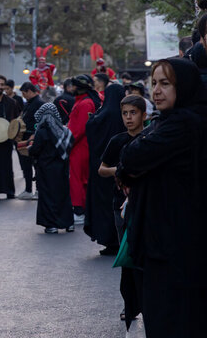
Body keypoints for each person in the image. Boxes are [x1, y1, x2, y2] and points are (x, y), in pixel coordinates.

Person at [118, 58, 207, 336]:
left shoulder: (184, 123)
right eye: (154, 83)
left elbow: (132, 157)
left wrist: (133, 167)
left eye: (165, 84)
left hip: (176, 242)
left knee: (172, 319)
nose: (156, 90)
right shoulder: (168, 121)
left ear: (184, 86)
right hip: (166, 239)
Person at [98, 94, 147, 329]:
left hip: (147, 206)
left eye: (133, 113)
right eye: (125, 113)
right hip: (121, 207)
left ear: (144, 115)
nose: (129, 118)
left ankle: (147, 302)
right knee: (127, 258)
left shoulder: (151, 139)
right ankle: (129, 305)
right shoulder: (117, 141)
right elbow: (102, 169)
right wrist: (120, 170)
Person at [84, 83, 126, 255]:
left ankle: (108, 239)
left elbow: (90, 129)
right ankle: (117, 240)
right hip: (119, 168)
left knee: (103, 205)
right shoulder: (123, 115)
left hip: (101, 166)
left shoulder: (103, 115)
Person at [28, 103, 74, 233]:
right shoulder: (65, 131)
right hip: (62, 168)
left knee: (48, 196)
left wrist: (29, 149)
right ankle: (68, 223)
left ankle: (51, 225)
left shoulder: (42, 132)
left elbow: (35, 150)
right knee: (64, 195)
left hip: (46, 170)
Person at [67, 75, 101, 225]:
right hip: (83, 145)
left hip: (79, 146)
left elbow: (79, 129)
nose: (71, 88)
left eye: (73, 86)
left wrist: (67, 142)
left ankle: (79, 210)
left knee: (77, 179)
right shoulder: (86, 101)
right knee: (82, 179)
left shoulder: (84, 103)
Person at [16, 82, 44, 200]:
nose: (23, 96)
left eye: (24, 93)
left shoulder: (39, 103)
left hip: (33, 138)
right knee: (26, 165)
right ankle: (28, 190)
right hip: (25, 137)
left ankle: (38, 190)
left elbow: (41, 122)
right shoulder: (29, 103)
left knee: (36, 165)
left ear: (30, 91)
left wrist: (34, 133)